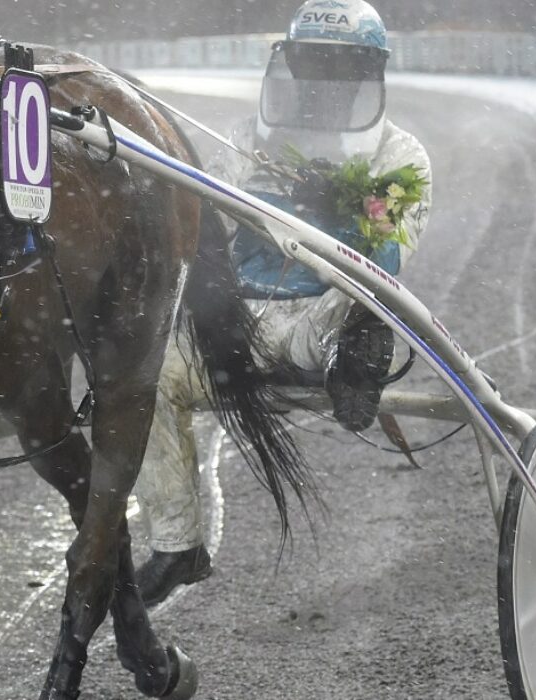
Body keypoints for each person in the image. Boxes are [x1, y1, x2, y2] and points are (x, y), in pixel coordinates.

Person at [133, 0, 433, 606]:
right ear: (290, 65)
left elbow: (389, 255)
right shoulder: (247, 142)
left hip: (325, 309)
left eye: (340, 67)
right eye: (313, 63)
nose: (325, 80)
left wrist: (341, 208)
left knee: (358, 302)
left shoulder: (400, 157)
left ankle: (354, 355)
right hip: (237, 318)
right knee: (149, 376)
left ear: (369, 73)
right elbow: (208, 229)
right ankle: (177, 544)